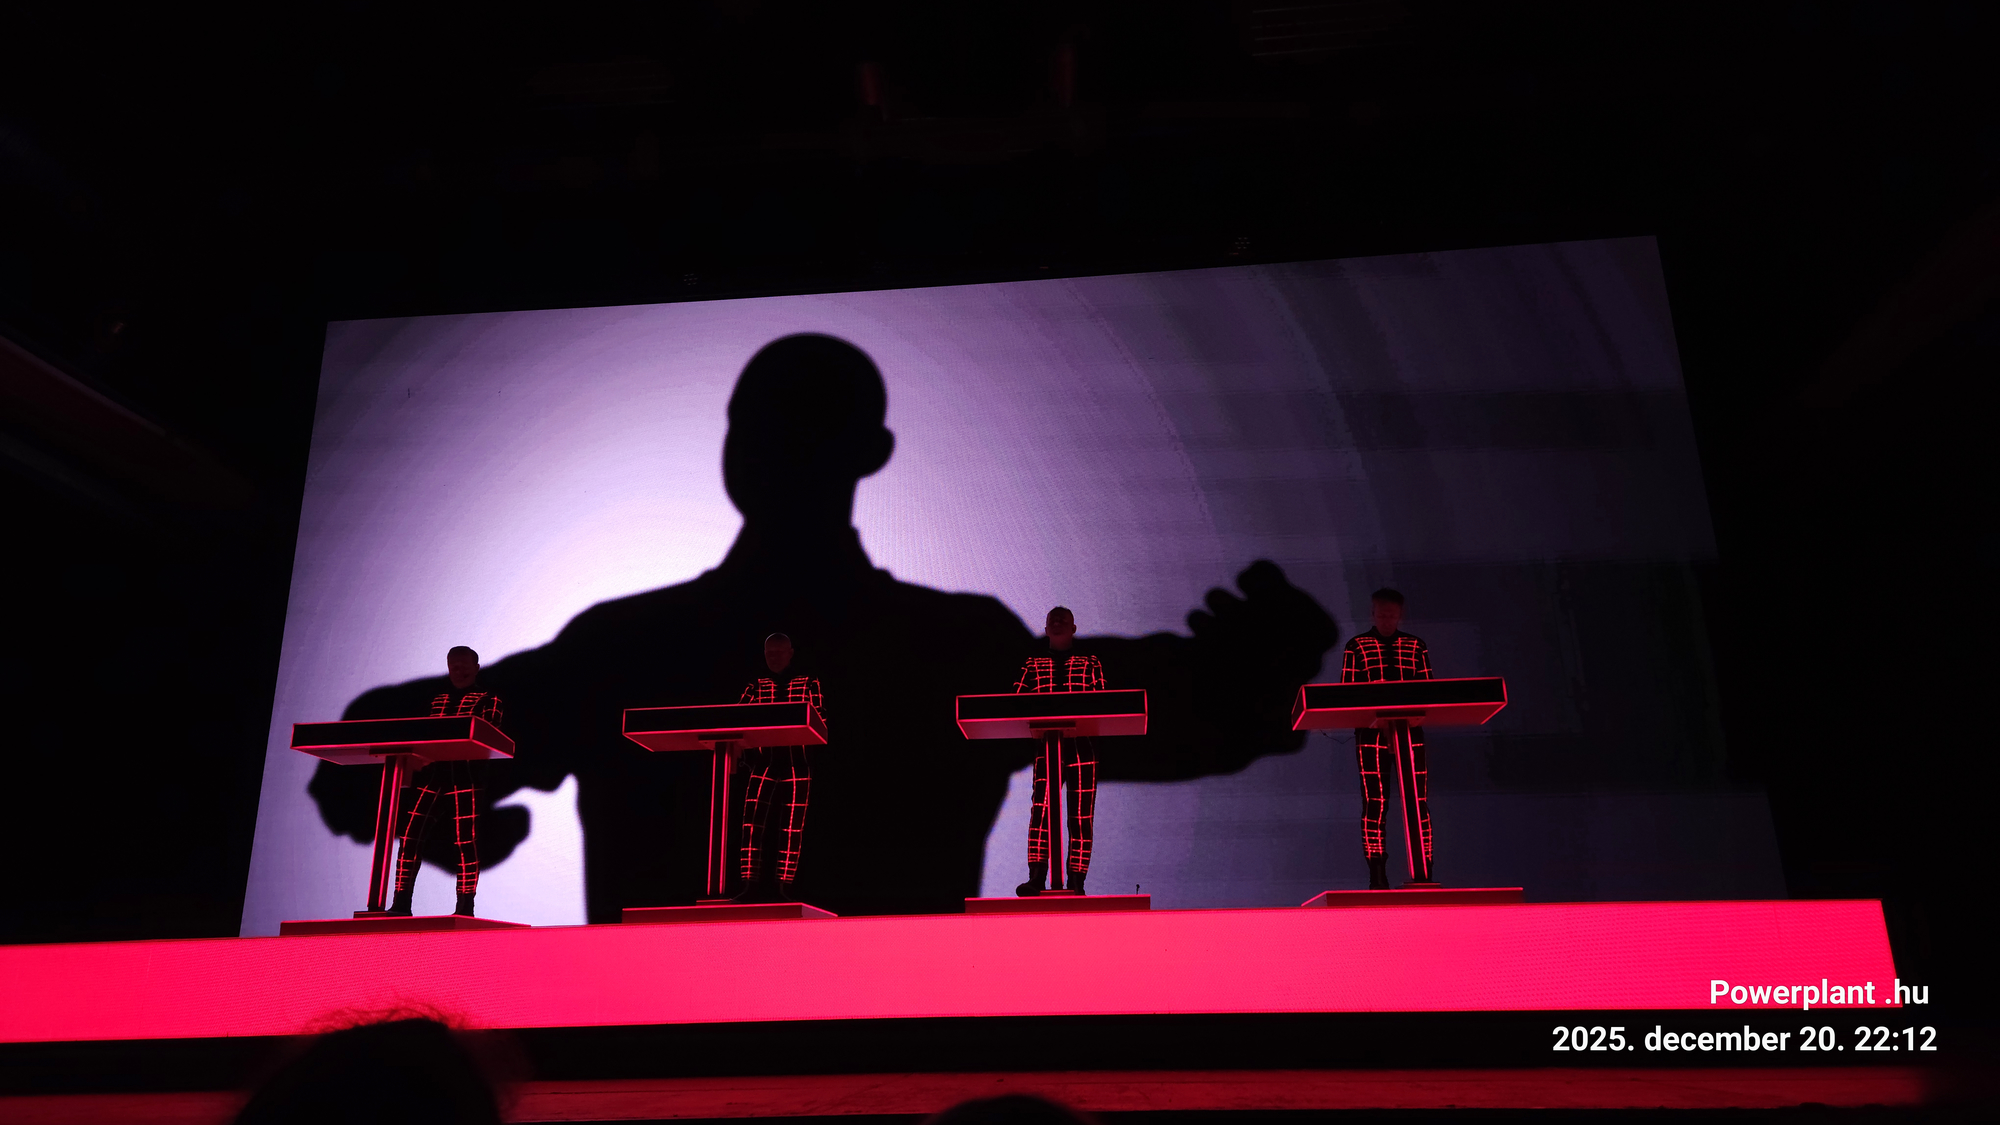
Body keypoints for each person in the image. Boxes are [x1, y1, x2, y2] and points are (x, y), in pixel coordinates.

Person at [319, 335, 1339, 920]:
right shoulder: (948, 648)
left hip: (663, 1068)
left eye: (785, 424)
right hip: (873, 1063)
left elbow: (375, 753)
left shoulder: (627, 650)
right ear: (875, 450)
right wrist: (1260, 671)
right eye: (765, 422)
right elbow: (1186, 710)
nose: (770, 445)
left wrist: (423, 805)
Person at [387, 646, 499, 917]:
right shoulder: (437, 700)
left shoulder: (488, 700)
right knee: (410, 837)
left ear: (476, 668)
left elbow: (487, 736)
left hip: (466, 777)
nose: (458, 671)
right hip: (433, 776)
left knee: (464, 841)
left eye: (464, 666)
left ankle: (465, 907)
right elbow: (423, 736)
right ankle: (401, 903)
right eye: (453, 666)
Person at [1341, 588, 1433, 890]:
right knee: (1375, 802)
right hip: (1370, 736)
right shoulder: (1357, 647)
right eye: (1382, 615)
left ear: (1400, 615)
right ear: (1372, 614)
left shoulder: (1415, 646)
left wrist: (1413, 718)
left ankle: (1424, 871)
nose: (1387, 621)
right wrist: (1377, 721)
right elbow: (1346, 694)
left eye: (1392, 616)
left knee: (1418, 801)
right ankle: (1377, 874)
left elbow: (1430, 691)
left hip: (1411, 734)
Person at [1013, 607, 1102, 896]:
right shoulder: (1033, 664)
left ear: (1074, 628)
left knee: (1081, 815)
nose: (1057, 622)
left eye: (1063, 619)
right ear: (1046, 628)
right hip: (1046, 746)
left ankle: (1077, 882)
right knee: (1041, 810)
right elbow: (1015, 704)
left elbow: (1104, 702)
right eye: (1052, 619)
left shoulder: (1089, 663)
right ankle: (1036, 878)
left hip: (1082, 746)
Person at [734, 632, 820, 901]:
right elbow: (736, 717)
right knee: (751, 824)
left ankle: (785, 885)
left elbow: (820, 719)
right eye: (769, 653)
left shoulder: (808, 681)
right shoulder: (756, 684)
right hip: (763, 762)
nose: (773, 658)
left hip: (798, 763)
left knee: (793, 827)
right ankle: (749, 884)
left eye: (779, 652)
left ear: (790, 654)